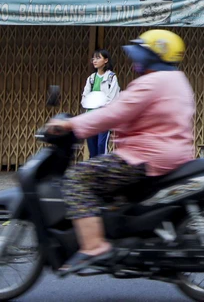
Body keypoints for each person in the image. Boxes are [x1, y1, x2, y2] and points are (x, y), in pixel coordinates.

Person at [46, 30, 195, 276]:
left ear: (154, 56)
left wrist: (72, 124)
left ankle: (93, 246)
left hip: (145, 156)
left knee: (77, 177)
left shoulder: (152, 82)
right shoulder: (177, 79)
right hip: (171, 154)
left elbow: (114, 112)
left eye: (141, 55)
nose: (136, 61)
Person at [80, 49, 120, 159]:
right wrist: (90, 103)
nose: (94, 60)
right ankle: (93, 168)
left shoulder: (111, 77)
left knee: (101, 145)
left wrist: (99, 104)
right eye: (93, 58)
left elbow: (113, 97)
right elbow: (84, 97)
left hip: (104, 118)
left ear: (106, 60)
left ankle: (102, 167)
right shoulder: (91, 78)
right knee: (92, 148)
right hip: (90, 118)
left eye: (98, 58)